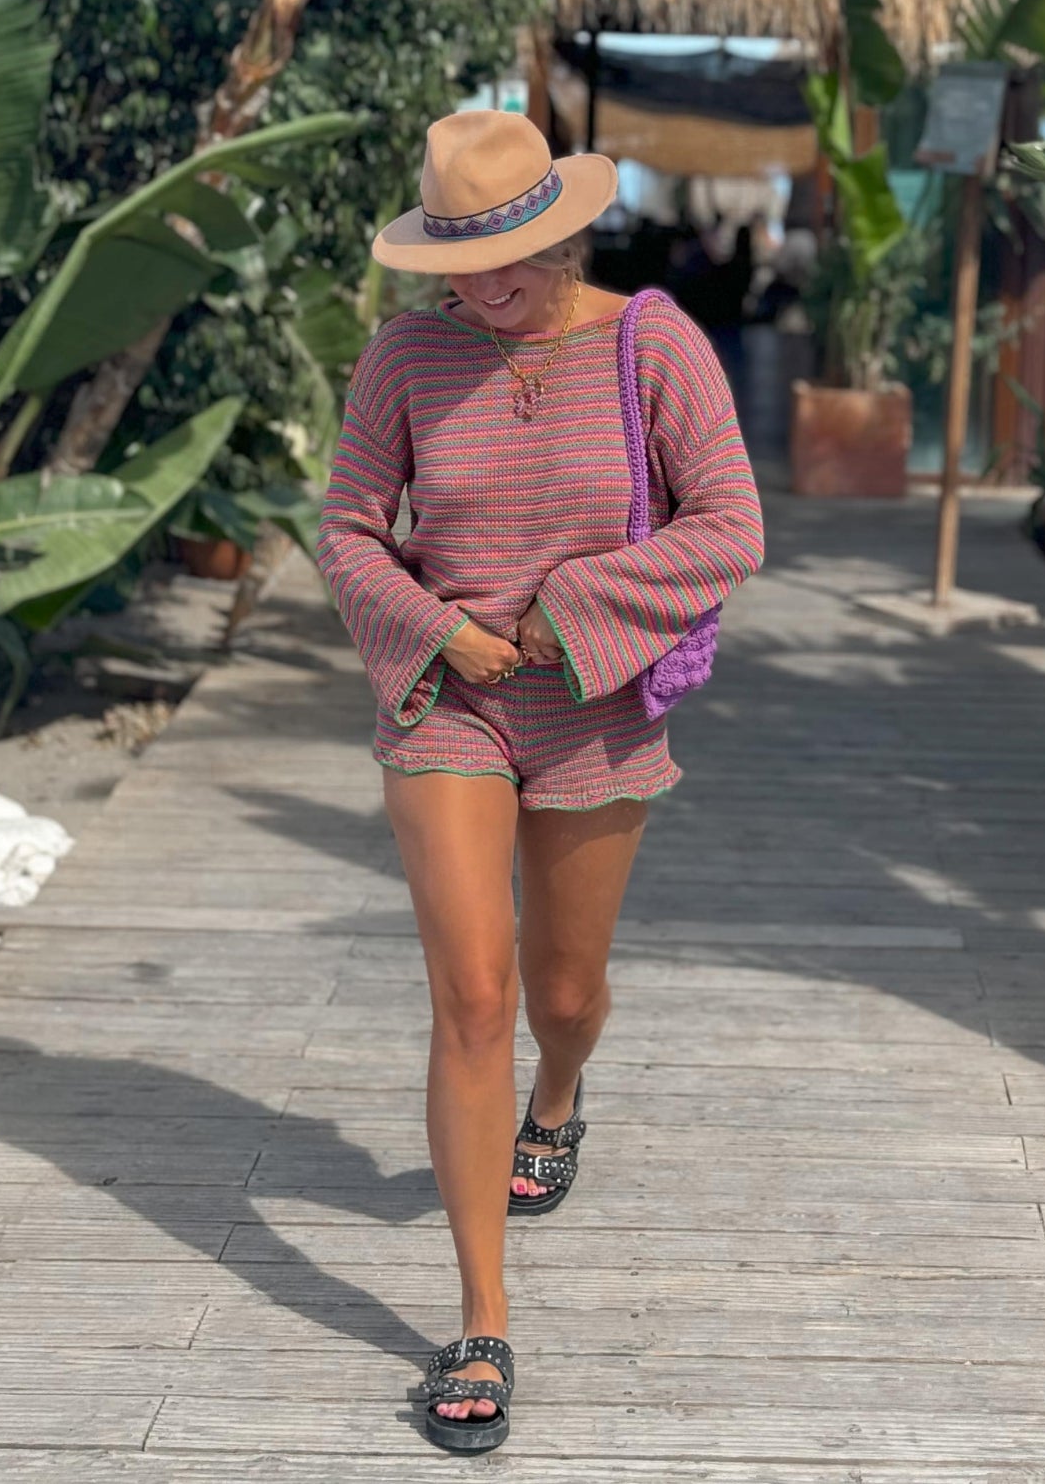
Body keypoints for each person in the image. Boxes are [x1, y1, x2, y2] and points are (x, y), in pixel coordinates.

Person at [316, 109, 764, 1456]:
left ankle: (557, 1096)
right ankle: (481, 1315)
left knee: (562, 998)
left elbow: (730, 526)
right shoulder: (403, 355)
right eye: (455, 261)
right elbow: (348, 533)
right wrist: (440, 631)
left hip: (594, 711)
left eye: (505, 256)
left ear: (564, 234)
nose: (480, 284)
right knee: (473, 994)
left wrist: (570, 613)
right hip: (446, 698)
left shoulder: (653, 346)